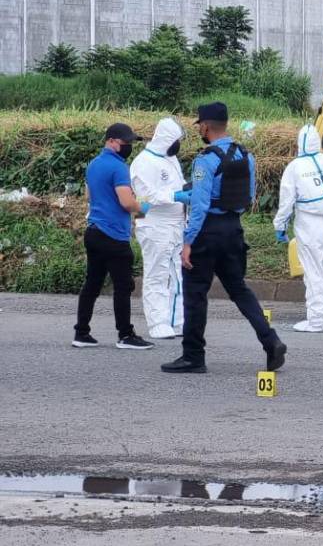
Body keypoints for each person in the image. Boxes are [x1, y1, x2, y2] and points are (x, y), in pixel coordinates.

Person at [161, 102, 287, 375]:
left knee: (195, 294)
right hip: (233, 230)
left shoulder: (205, 160)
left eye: (200, 126)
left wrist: (188, 242)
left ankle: (193, 356)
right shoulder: (246, 155)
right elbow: (248, 196)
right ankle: (271, 341)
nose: (200, 130)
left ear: (206, 126)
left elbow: (200, 206)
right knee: (239, 290)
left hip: (207, 231)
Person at [74, 123, 154, 350]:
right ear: (110, 141)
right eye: (124, 142)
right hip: (113, 235)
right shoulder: (119, 167)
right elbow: (127, 202)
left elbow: (89, 195)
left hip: (93, 231)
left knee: (92, 283)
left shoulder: (93, 164)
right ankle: (125, 335)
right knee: (123, 285)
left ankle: (81, 332)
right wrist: (143, 207)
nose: (128, 146)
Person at [273, 124, 323, 332]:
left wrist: (280, 225)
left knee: (314, 272)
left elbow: (286, 201)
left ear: (299, 143)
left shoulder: (295, 168)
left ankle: (317, 320)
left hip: (311, 225)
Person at [129, 117, 186, 339]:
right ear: (165, 139)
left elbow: (176, 185)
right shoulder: (143, 162)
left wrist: (187, 191)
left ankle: (177, 321)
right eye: (176, 140)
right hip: (155, 224)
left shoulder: (171, 159)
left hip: (176, 224)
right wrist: (176, 196)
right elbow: (146, 196)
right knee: (157, 274)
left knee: (178, 274)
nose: (178, 145)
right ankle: (157, 323)